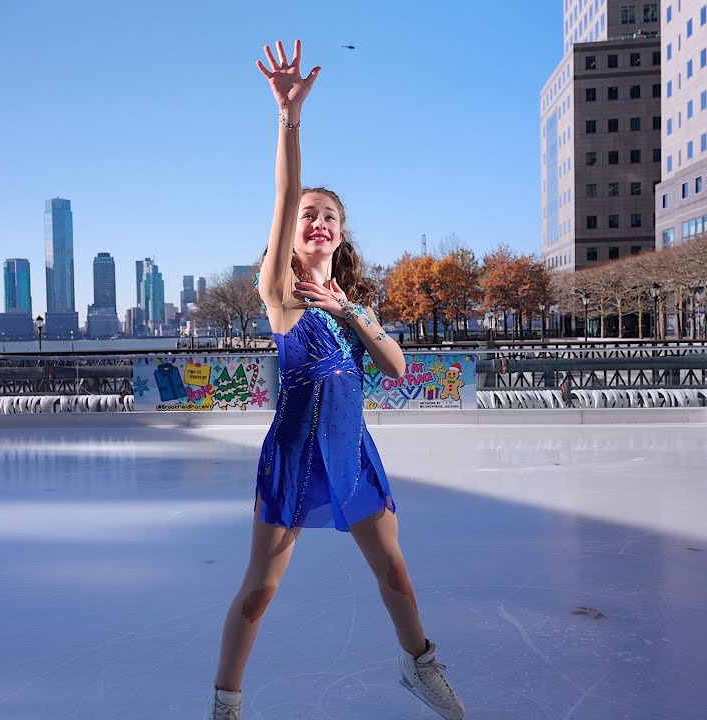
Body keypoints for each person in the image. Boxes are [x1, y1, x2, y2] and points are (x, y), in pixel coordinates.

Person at [204, 40, 466, 720]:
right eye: (307, 216)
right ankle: (226, 703)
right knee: (259, 591)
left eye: (329, 216)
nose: (316, 220)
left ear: (341, 237)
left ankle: (421, 666)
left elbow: (398, 369)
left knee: (395, 571)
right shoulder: (280, 294)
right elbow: (284, 191)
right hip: (293, 454)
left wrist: (354, 315)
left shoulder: (350, 307)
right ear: (290, 235)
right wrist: (289, 120)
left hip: (350, 452)